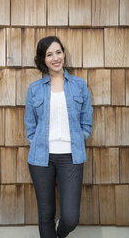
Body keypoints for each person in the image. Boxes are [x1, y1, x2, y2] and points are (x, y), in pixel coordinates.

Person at [24, 36, 93, 238]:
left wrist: (79, 139)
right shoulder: (34, 89)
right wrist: (37, 143)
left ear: (63, 54)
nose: (55, 58)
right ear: (43, 60)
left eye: (58, 52)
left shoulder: (79, 85)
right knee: (46, 215)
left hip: (71, 158)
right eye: (49, 54)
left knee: (70, 218)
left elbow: (86, 121)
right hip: (41, 159)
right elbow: (30, 125)